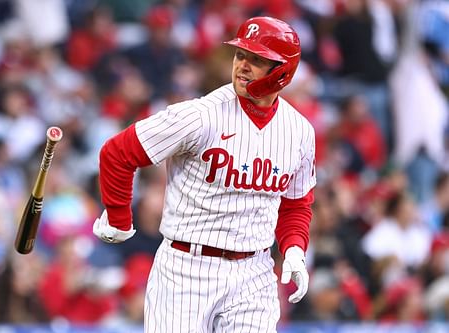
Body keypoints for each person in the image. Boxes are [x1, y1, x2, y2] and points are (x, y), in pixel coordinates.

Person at [93, 16, 316, 332]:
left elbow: (296, 204)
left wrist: (294, 248)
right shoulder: (199, 116)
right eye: (240, 55)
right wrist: (118, 216)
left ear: (282, 70)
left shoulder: (300, 132)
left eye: (257, 60)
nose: (243, 65)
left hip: (255, 272)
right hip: (186, 268)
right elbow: (117, 152)